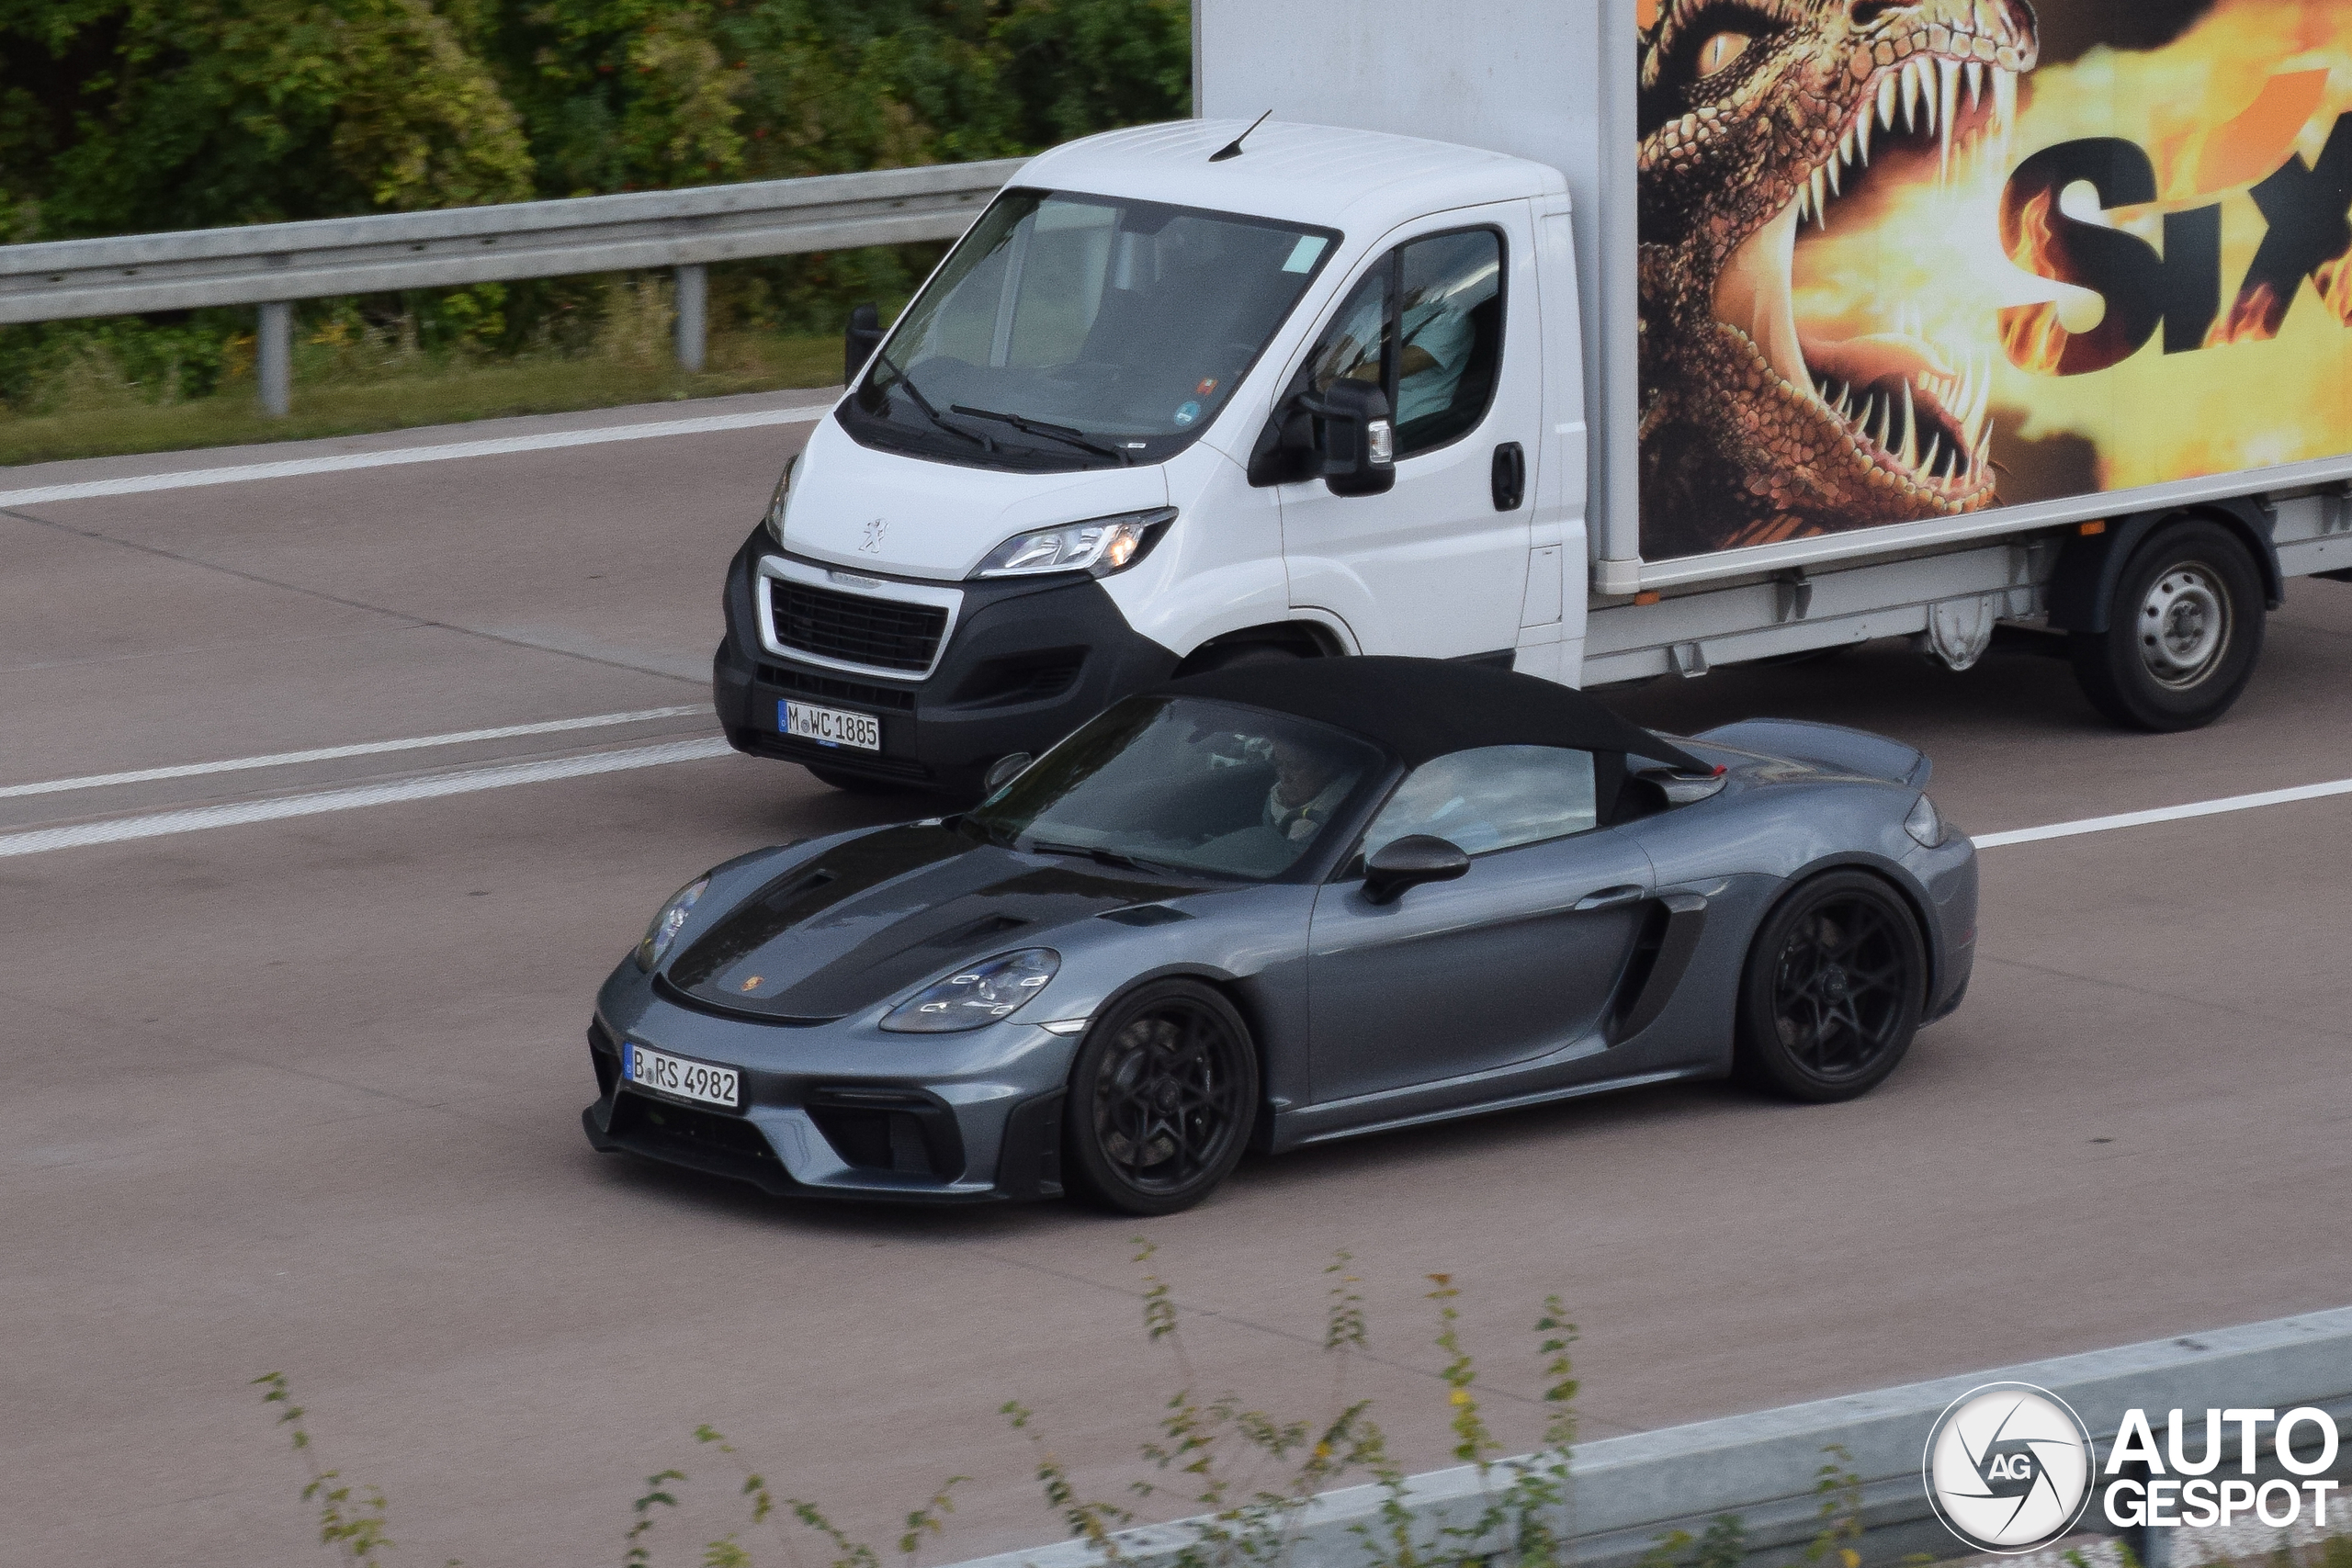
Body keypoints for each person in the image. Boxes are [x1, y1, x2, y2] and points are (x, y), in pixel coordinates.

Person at [1263, 737, 1358, 843]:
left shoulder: (1347, 817)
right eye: (1279, 764)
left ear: (1327, 767)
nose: (1284, 778)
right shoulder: (1274, 800)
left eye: (1294, 766)